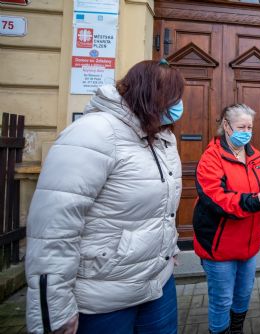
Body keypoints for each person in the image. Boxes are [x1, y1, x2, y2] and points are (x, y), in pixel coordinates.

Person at [25, 59, 185, 334]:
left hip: (157, 283)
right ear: (148, 94)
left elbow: (159, 210)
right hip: (104, 296)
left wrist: (168, 248)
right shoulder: (94, 132)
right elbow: (54, 228)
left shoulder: (161, 138)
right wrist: (55, 307)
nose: (178, 106)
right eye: (172, 97)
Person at [193, 104, 260, 334]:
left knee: (242, 297)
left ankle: (237, 330)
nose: (247, 131)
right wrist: (254, 202)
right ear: (226, 126)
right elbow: (217, 199)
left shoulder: (255, 155)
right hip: (220, 247)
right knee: (222, 301)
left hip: (249, 246)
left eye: (250, 127)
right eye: (241, 126)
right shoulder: (211, 157)